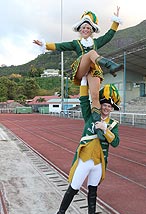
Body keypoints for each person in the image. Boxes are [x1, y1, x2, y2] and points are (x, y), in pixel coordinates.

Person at [33, 6, 123, 140]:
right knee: (91, 53)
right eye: (83, 28)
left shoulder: (96, 42)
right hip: (81, 68)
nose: (85, 30)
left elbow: (109, 35)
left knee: (95, 96)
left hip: (94, 70)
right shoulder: (76, 43)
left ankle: (98, 126)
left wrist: (115, 21)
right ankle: (110, 64)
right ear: (80, 30)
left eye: (88, 28)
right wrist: (44, 45)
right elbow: (60, 46)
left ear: (92, 30)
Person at [47, 77, 120, 214]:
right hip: (85, 159)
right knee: (74, 188)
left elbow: (116, 143)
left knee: (93, 190)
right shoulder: (90, 116)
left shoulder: (113, 125)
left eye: (109, 106)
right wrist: (84, 82)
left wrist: (105, 130)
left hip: (99, 162)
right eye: (104, 105)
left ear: (112, 109)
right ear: (100, 105)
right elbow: (84, 101)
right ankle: (60, 213)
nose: (106, 108)